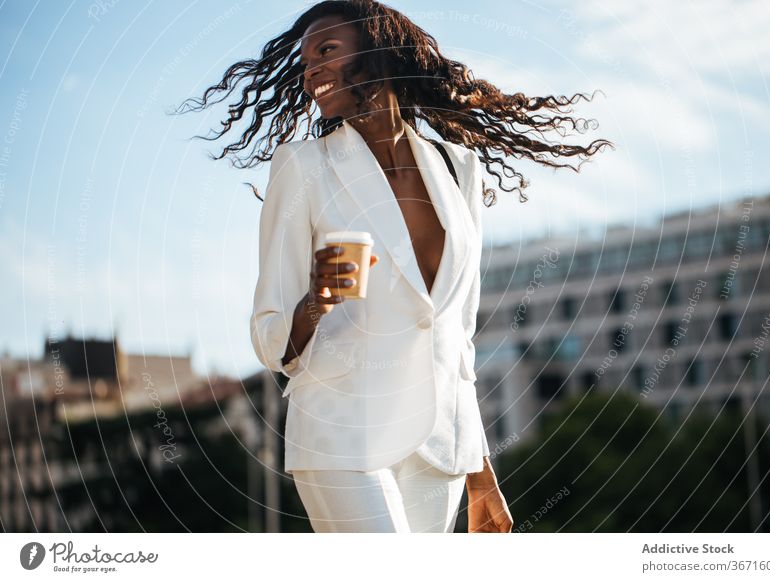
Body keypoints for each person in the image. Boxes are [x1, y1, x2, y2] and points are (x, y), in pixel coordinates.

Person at [179, 0, 612, 533]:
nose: (312, 67)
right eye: (307, 58)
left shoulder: (458, 169)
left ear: (381, 55)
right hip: (342, 430)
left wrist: (480, 473)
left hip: (438, 447)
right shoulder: (303, 169)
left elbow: (458, 340)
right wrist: (317, 300)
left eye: (328, 50)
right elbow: (271, 338)